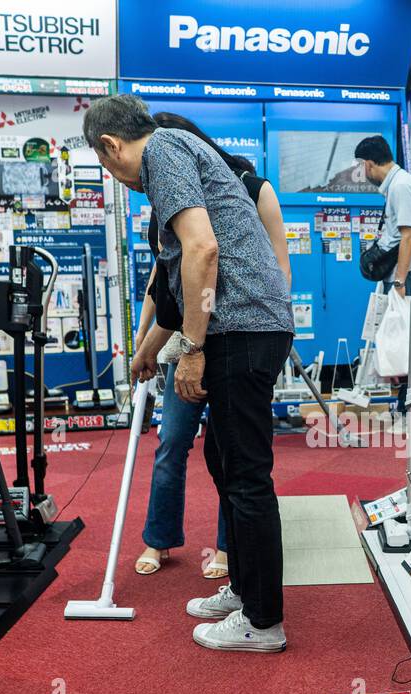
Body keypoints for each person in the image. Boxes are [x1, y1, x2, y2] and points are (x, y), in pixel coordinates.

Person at [84, 94, 295, 652]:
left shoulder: (165, 152)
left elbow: (204, 252)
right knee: (222, 459)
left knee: (247, 475)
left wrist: (193, 349)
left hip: (241, 331)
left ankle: (263, 621)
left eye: (109, 166)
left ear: (111, 145)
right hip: (240, 328)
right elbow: (177, 292)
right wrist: (151, 349)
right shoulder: (173, 166)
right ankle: (245, 589)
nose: (117, 177)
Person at [131, 114, 292, 580]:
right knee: (187, 447)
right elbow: (165, 291)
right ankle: (169, 545)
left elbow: (273, 268)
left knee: (241, 465)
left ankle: (242, 578)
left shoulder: (250, 187)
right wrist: (147, 348)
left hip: (235, 335)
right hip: (195, 336)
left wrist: (265, 330)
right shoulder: (172, 204)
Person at [353, 135, 411, 297]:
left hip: (409, 278)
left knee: (404, 322)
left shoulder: (401, 186)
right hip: (406, 276)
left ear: (368, 164)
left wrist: (399, 282)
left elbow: (408, 237)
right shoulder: (398, 184)